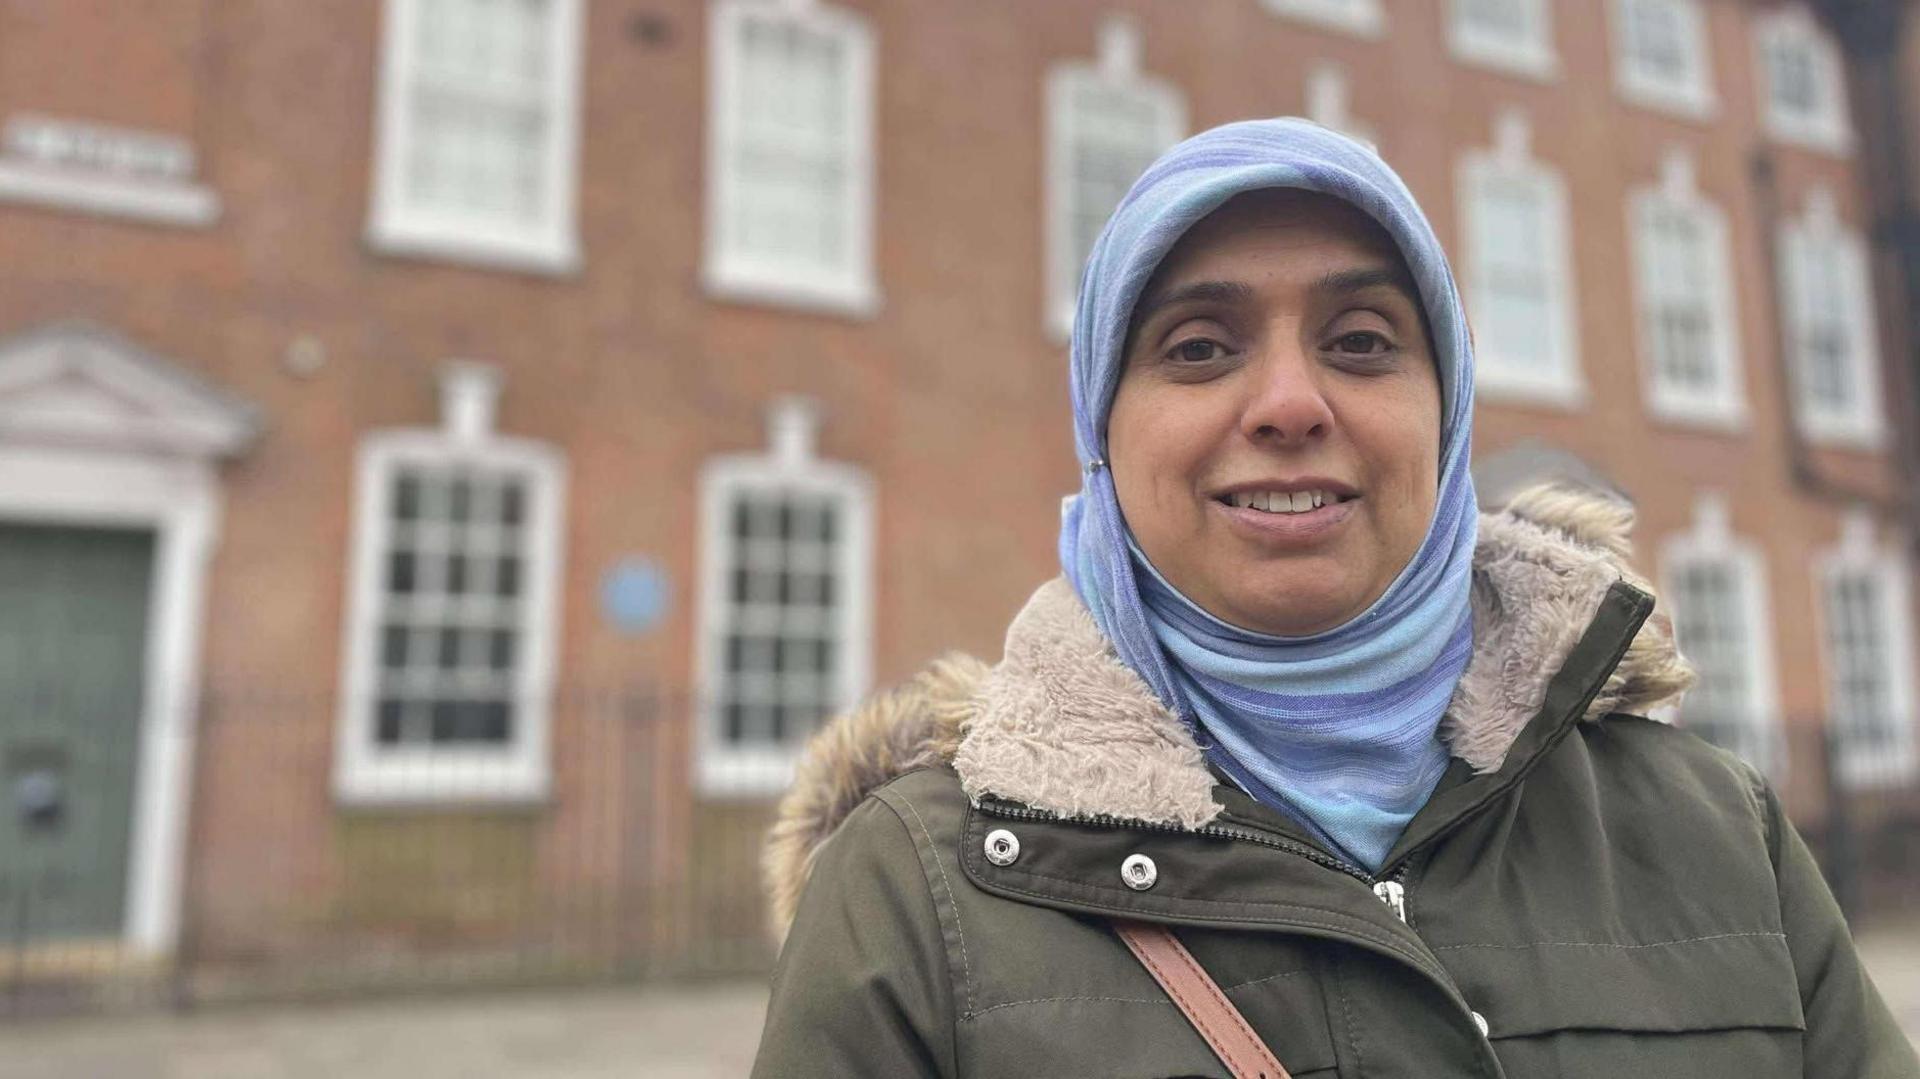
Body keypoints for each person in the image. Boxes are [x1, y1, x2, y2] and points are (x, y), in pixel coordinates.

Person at [749, 118, 1918, 1078]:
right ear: (1103, 434)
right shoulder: (914, 890)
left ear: (1448, 416)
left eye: (1362, 341)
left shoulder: (1721, 834)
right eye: (1199, 348)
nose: (1290, 402)